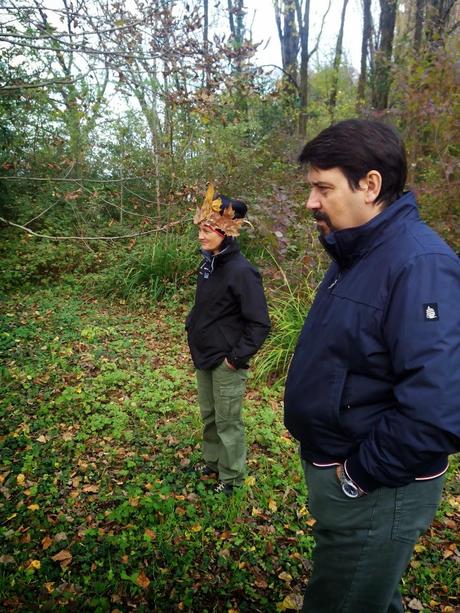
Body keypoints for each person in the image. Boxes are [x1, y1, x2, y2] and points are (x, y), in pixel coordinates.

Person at [283, 119, 460, 612]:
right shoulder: (357, 253)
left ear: (371, 185)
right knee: (371, 595)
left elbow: (440, 406)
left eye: (323, 188)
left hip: (378, 490)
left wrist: (358, 475)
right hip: (354, 482)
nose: (311, 202)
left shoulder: (418, 264)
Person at [186, 184, 270, 495]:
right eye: (201, 228)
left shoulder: (242, 272)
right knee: (209, 416)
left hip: (226, 362)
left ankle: (232, 479)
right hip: (204, 354)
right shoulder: (208, 263)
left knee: (228, 423)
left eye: (208, 230)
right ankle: (212, 462)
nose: (201, 235)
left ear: (227, 233)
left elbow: (260, 323)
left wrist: (236, 358)